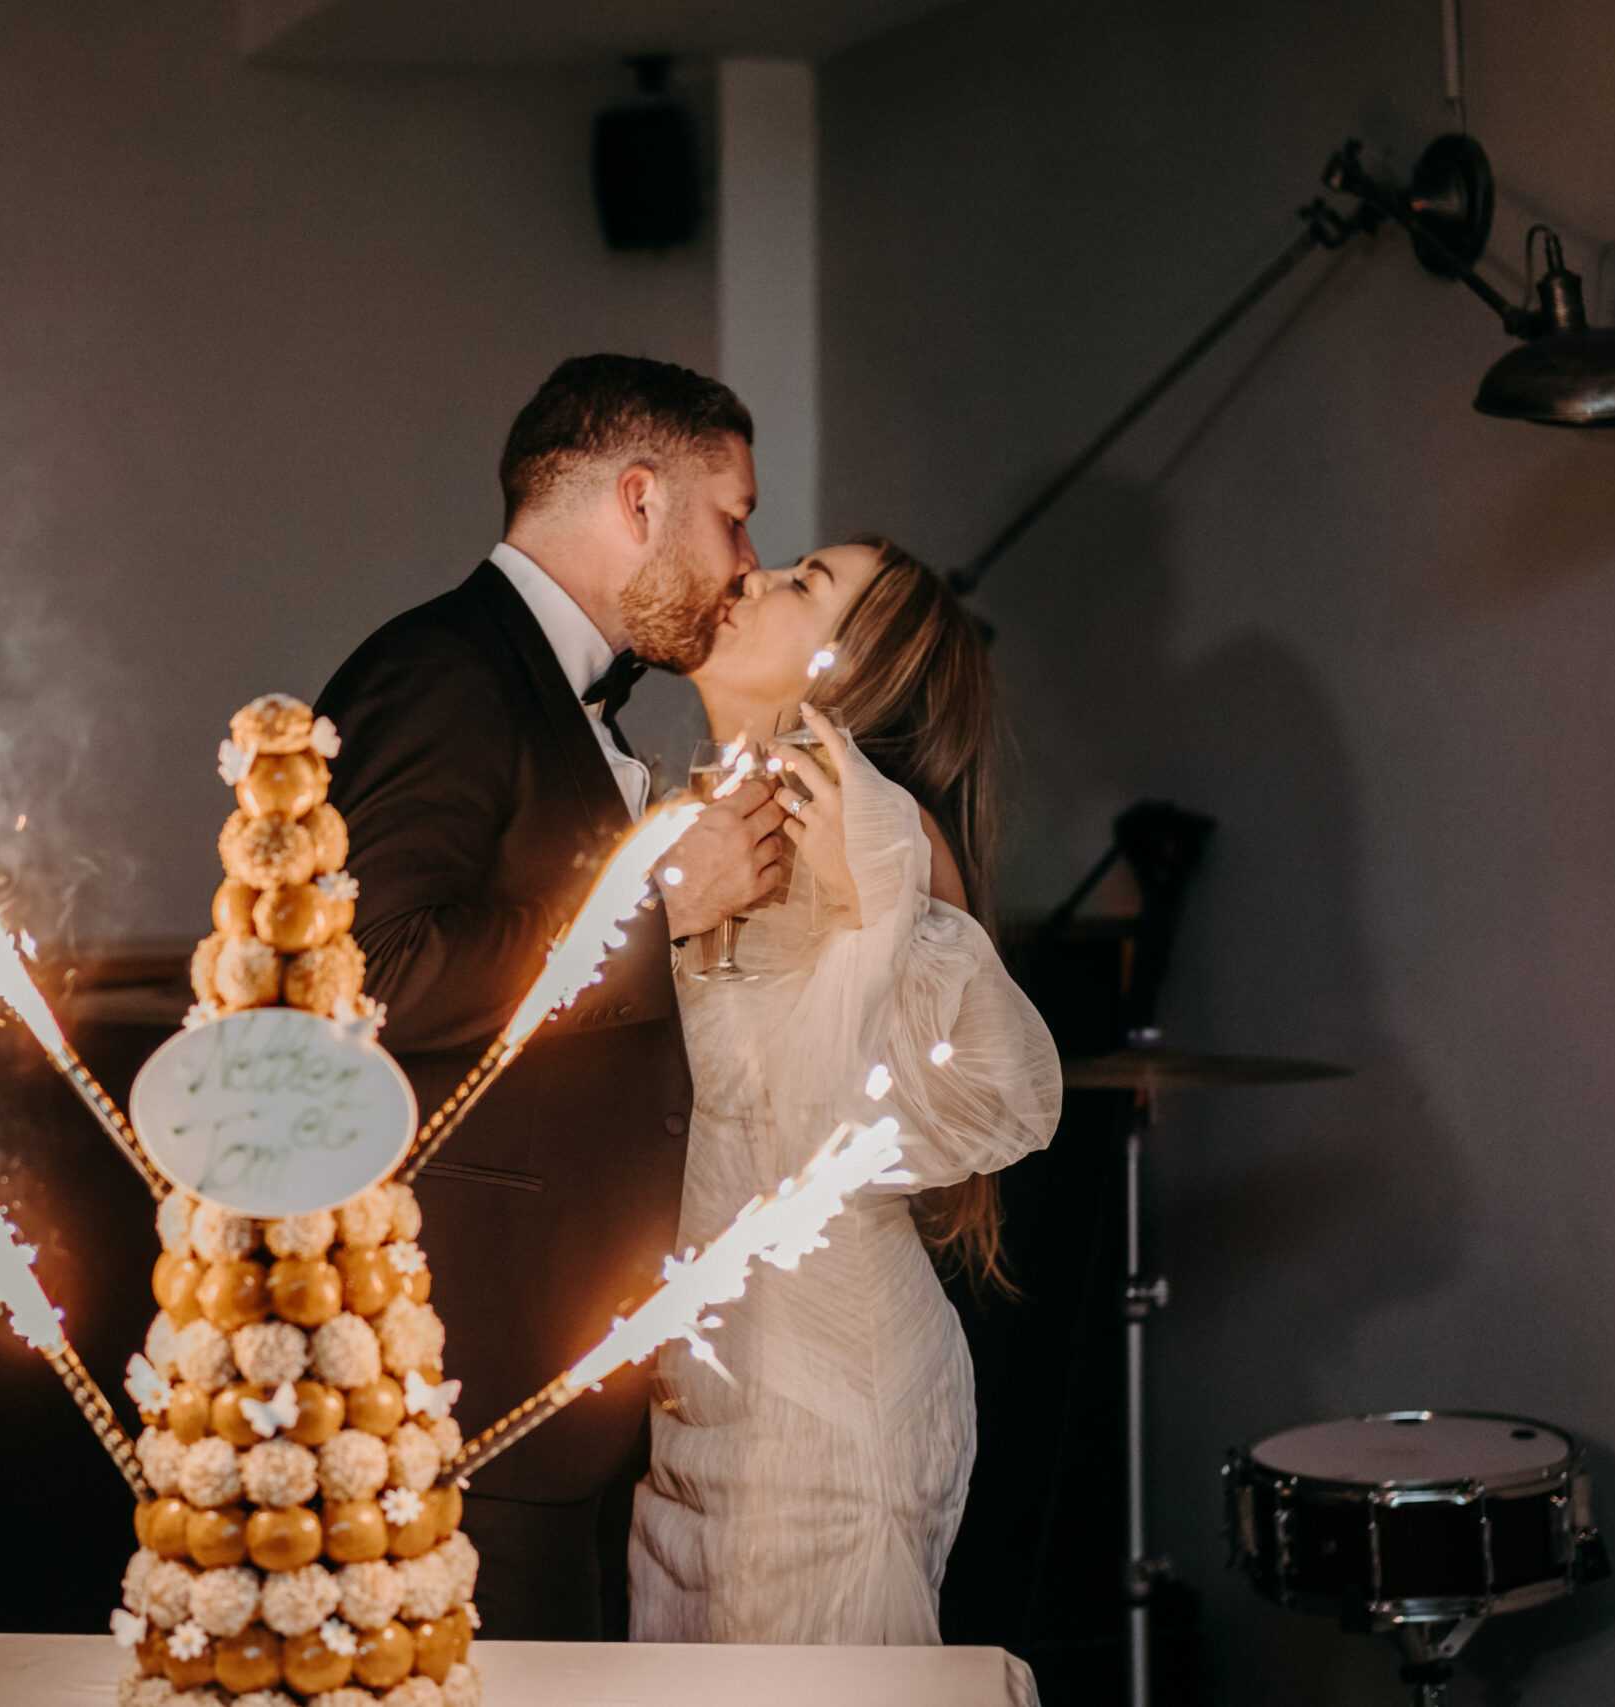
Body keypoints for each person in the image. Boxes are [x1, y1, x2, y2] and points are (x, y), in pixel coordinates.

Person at [316, 354, 783, 1639]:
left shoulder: (564, 691)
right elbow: (362, 970)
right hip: (471, 1356)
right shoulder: (447, 672)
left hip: (571, 1360)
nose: (747, 557)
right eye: (730, 512)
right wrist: (653, 907)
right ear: (638, 498)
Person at [628, 536, 1064, 1649]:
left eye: (804, 585)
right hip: (708, 1394)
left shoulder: (873, 832)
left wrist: (873, 895)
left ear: (853, 669)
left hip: (825, 1405)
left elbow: (994, 1094)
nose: (758, 576)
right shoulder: (716, 811)